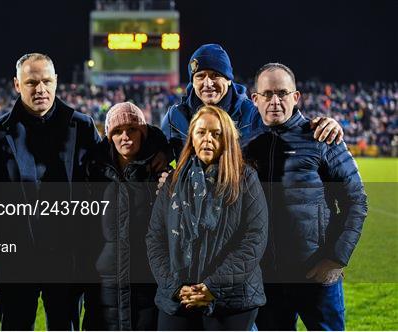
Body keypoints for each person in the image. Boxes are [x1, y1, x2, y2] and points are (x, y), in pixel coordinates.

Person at [0, 53, 101, 330]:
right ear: (17, 85)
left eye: (46, 81)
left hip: (69, 258)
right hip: (15, 261)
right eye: (31, 82)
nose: (40, 89)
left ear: (56, 82)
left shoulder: (83, 127)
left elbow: (105, 186)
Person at [245, 63, 368, 330]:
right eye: (267, 94)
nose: (275, 101)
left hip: (316, 275)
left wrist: (336, 258)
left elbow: (355, 200)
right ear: (255, 99)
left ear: (296, 97)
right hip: (266, 281)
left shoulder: (322, 137)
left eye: (282, 93)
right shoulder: (245, 144)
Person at [147, 105, 268, 330]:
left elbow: (254, 239)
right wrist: (175, 287)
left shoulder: (246, 179)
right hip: (177, 299)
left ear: (227, 139)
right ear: (191, 137)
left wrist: (212, 287)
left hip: (231, 301)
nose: (207, 139)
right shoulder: (172, 183)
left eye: (216, 133)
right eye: (201, 132)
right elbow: (155, 238)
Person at [161, 43, 344, 158]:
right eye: (200, 76)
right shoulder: (175, 118)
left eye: (215, 75)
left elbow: (289, 132)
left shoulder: (253, 113)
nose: (208, 83)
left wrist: (322, 125)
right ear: (192, 81)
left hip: (241, 211)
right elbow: (154, 158)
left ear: (229, 79)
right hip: (195, 213)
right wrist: (165, 176)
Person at [82, 102, 171, 330]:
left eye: (132, 129)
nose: (125, 137)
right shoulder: (93, 174)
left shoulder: (161, 176)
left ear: (142, 133)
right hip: (103, 285)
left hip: (148, 283)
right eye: (118, 131)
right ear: (109, 137)